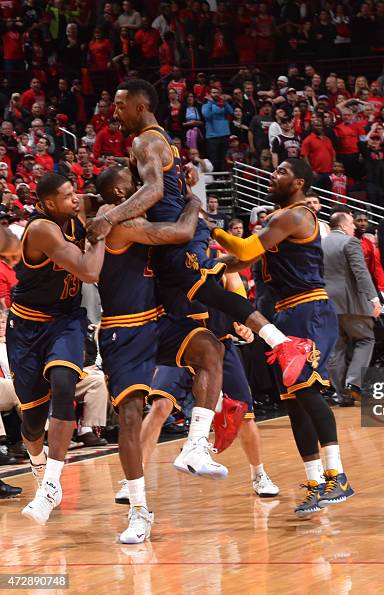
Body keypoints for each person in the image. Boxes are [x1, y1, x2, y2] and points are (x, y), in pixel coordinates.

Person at [86, 79, 312, 391]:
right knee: (201, 302)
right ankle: (228, 389)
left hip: (177, 234)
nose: (115, 112)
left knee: (211, 295)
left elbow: (154, 190)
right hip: (180, 233)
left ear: (140, 107)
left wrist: (110, 216)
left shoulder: (144, 142)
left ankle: (281, 345)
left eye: (120, 106)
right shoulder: (165, 141)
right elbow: (167, 188)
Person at [94, 165, 230, 543]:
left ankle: (195, 445)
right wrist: (192, 200)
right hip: (124, 327)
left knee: (209, 351)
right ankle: (138, 510)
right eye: (133, 184)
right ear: (121, 195)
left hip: (158, 320)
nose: (142, 188)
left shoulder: (134, 215)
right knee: (131, 417)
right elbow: (184, 231)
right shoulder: (118, 224)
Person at [212, 158, 354, 518]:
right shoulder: (277, 220)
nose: (274, 175)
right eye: (274, 171)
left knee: (305, 388)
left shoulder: (296, 215)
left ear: (300, 182)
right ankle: (315, 481)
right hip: (285, 314)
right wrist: (206, 267)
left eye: (283, 172)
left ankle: (337, 474)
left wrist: (206, 227)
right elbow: (240, 263)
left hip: (310, 310)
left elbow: (243, 251)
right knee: (293, 401)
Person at [7, 173, 106, 525]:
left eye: (74, 192)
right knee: (32, 423)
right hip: (28, 326)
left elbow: (107, 199)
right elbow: (89, 271)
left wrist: (109, 207)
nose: (75, 199)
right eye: (66, 196)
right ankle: (37, 463)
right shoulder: (43, 229)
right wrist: (101, 237)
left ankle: (50, 483)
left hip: (65, 320)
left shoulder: (79, 208)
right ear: (48, 204)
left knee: (65, 384)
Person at [323, 211, 381, 406]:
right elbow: (361, 272)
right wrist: (374, 298)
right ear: (341, 225)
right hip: (351, 302)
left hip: (326, 303)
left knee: (336, 348)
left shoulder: (319, 243)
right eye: (351, 223)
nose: (354, 226)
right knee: (366, 339)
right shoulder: (351, 242)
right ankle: (353, 383)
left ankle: (341, 395)